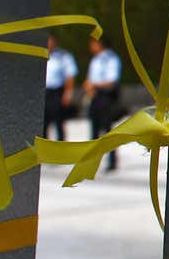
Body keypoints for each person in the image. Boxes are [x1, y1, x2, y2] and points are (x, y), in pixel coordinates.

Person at [84, 35, 123, 171]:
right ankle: (92, 162)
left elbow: (112, 80)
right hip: (95, 96)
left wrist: (94, 85)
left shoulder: (110, 59)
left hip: (106, 97)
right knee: (93, 130)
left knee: (107, 130)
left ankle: (112, 161)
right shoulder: (95, 60)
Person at [42, 34, 78, 142]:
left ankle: (60, 148)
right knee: (43, 122)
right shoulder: (40, 55)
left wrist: (68, 93)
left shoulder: (64, 56)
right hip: (43, 92)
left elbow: (70, 75)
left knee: (58, 121)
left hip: (56, 92)